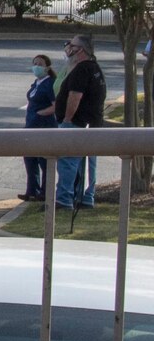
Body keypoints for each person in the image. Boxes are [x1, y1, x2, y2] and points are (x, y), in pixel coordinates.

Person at [55, 33, 106, 209]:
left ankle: (64, 199)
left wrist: (68, 119)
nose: (68, 48)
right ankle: (85, 198)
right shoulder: (94, 68)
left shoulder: (82, 69)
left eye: (72, 45)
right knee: (87, 162)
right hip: (91, 124)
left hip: (77, 124)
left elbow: (74, 97)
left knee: (68, 161)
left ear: (81, 50)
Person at [21, 53, 57, 201]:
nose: (36, 66)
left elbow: (56, 106)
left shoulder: (50, 84)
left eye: (40, 64)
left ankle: (45, 191)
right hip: (31, 126)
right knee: (30, 158)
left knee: (44, 160)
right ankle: (32, 190)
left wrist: (41, 113)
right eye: (34, 63)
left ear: (47, 68)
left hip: (44, 126)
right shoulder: (36, 83)